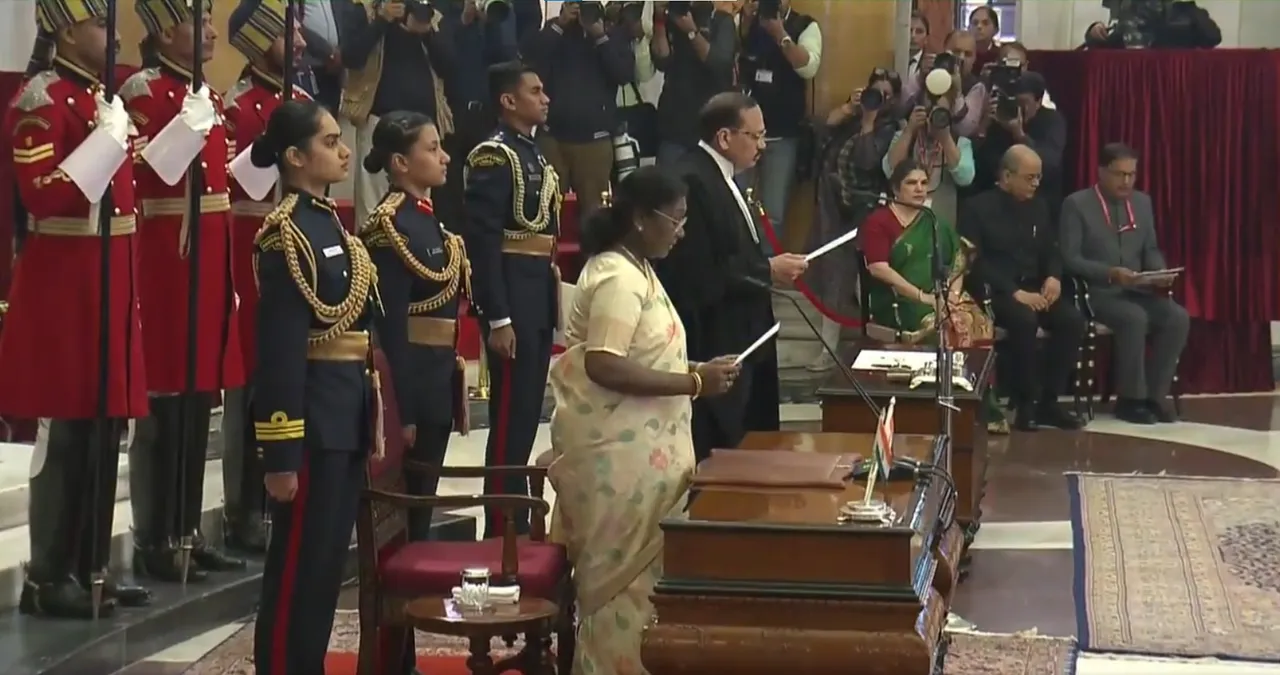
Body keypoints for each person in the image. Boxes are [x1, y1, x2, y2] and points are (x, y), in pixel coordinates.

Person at [548, 166, 739, 675]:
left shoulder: (641, 269)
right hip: (619, 460)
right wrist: (694, 384)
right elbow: (603, 363)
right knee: (622, 587)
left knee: (651, 581)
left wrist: (695, 370)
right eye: (674, 220)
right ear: (639, 218)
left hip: (646, 454)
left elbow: (646, 356)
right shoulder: (615, 276)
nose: (681, 232)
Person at [0, 0, 152, 619]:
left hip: (109, 276)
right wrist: (103, 144)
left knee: (102, 426)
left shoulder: (101, 100)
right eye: (99, 25)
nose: (113, 37)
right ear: (65, 30)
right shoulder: (43, 100)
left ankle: (89, 565)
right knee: (62, 432)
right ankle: (46, 573)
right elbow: (41, 192)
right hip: (63, 281)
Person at [249, 99, 375, 675]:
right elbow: (279, 354)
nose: (343, 149)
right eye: (329, 141)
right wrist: (280, 453)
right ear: (296, 157)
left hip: (343, 415)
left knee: (324, 568)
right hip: (308, 427)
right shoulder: (285, 235)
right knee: (297, 569)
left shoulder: (327, 223)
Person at [123, 0, 246, 582]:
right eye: (195, 20)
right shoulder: (143, 93)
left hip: (209, 259)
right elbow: (143, 171)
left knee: (199, 398)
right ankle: (154, 535)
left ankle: (188, 529)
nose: (209, 30)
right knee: (167, 398)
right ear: (163, 30)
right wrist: (186, 128)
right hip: (170, 257)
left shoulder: (207, 95)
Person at [652, 92, 807, 462]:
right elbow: (697, 267)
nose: (763, 145)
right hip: (717, 335)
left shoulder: (724, 178)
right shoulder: (693, 179)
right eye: (754, 136)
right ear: (724, 137)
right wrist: (768, 268)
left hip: (748, 331)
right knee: (725, 446)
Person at [221, 0, 312, 553]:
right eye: (288, 34)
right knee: (252, 379)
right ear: (259, 43)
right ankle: (243, 507)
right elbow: (243, 185)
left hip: (297, 244)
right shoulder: (237, 107)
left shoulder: (298, 102)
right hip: (254, 245)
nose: (300, 42)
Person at [461, 61, 561, 538]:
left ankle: (516, 516)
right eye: (536, 90)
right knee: (507, 419)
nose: (545, 98)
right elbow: (482, 242)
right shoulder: (493, 156)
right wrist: (496, 315)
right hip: (511, 299)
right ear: (507, 100)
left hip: (535, 291)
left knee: (524, 416)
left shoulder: (533, 154)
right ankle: (501, 526)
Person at [361, 111, 470, 539]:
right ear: (400, 163)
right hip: (412, 382)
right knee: (402, 513)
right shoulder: (391, 227)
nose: (444, 158)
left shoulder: (426, 219)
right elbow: (390, 328)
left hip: (437, 373)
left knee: (423, 504)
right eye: (431, 148)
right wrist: (400, 408)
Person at [861, 159, 1008, 434]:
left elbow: (958, 259)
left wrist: (951, 294)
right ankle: (938, 407)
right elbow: (877, 268)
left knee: (975, 322)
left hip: (941, 297)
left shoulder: (933, 221)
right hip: (899, 302)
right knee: (946, 325)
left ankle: (974, 406)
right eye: (911, 183)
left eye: (923, 183)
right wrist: (924, 297)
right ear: (895, 188)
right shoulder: (879, 221)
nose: (919, 189)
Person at [1060, 143, 1187, 424]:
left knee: (1177, 317)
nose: (1126, 181)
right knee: (1134, 318)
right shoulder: (1076, 204)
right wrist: (1109, 272)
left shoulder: (1142, 203)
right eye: (1119, 174)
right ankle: (1130, 399)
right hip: (1097, 291)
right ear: (1102, 172)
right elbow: (1070, 258)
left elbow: (1151, 249)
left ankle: (1155, 397)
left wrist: (1158, 271)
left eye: (1131, 174)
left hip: (1137, 288)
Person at [960, 145, 1084, 431]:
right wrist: (1014, 293)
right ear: (1006, 175)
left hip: (1036, 287)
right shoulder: (977, 208)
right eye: (1030, 178)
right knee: (1023, 321)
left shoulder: (1039, 206)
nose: (1036, 184)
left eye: (1038, 177)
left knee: (1071, 320)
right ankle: (1026, 402)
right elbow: (973, 261)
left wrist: (1053, 277)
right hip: (998, 291)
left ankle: (1050, 403)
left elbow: (1052, 249)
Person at [805, 68, 900, 371]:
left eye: (885, 95)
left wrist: (870, 122)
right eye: (875, 92)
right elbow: (820, 130)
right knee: (832, 280)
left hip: (866, 211)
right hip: (834, 208)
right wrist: (848, 108)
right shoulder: (851, 117)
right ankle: (826, 352)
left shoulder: (889, 128)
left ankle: (876, 347)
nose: (877, 100)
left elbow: (867, 160)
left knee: (865, 282)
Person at [341, 0, 457, 226]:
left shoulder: (431, 16)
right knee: (373, 206)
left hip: (423, 128)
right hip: (379, 121)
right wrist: (382, 21)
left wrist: (426, 34)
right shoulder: (364, 10)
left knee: (420, 203)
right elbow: (350, 57)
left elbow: (451, 67)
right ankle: (371, 258)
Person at [523, 0, 636, 219]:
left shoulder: (611, 34)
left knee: (594, 214)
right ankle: (546, 253)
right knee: (545, 209)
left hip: (595, 139)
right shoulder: (554, 31)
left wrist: (600, 36)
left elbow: (623, 74)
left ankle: (593, 254)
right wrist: (560, 24)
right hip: (553, 136)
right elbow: (533, 65)